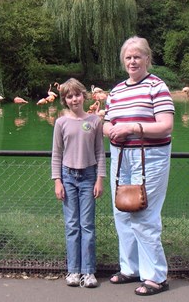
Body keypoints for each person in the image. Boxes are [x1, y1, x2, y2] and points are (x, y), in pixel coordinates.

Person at [103, 36, 174, 296]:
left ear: (147, 59)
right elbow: (107, 123)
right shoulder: (117, 90)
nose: (133, 61)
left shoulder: (157, 86)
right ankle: (130, 268)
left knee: (143, 214)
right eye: (128, 57)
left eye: (137, 56)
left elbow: (165, 126)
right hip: (121, 157)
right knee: (122, 211)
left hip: (149, 158)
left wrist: (133, 128)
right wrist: (111, 130)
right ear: (123, 61)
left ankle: (156, 276)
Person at [51, 78, 105, 288]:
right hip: (68, 176)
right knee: (72, 225)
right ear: (65, 100)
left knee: (87, 226)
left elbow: (100, 152)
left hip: (89, 176)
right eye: (69, 96)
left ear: (84, 96)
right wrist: (58, 181)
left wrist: (100, 178)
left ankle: (88, 272)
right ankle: (73, 270)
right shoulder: (61, 123)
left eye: (77, 95)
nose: (74, 99)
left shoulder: (94, 121)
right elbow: (56, 153)